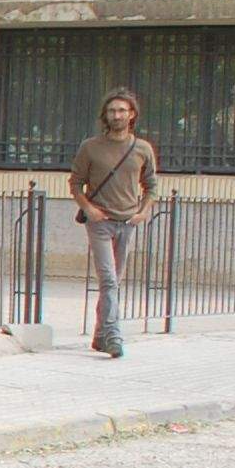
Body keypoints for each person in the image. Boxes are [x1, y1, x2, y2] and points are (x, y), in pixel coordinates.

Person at [70, 87, 159, 360]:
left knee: (113, 282)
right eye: (112, 111)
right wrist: (88, 209)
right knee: (108, 279)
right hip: (100, 222)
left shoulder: (142, 148)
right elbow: (75, 183)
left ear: (132, 115)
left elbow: (152, 185)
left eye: (122, 110)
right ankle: (113, 336)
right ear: (105, 116)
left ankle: (99, 335)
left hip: (127, 221)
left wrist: (143, 212)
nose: (116, 115)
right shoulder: (91, 147)